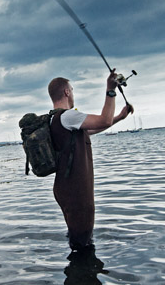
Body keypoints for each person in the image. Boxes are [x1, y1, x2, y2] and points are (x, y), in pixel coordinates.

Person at [47, 70, 133, 250]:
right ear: (67, 92)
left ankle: (79, 269)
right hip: (76, 191)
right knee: (82, 244)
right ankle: (82, 274)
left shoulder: (55, 119)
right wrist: (110, 90)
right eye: (72, 89)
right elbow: (103, 120)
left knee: (78, 237)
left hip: (66, 188)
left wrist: (119, 117)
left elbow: (94, 128)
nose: (73, 93)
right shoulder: (68, 116)